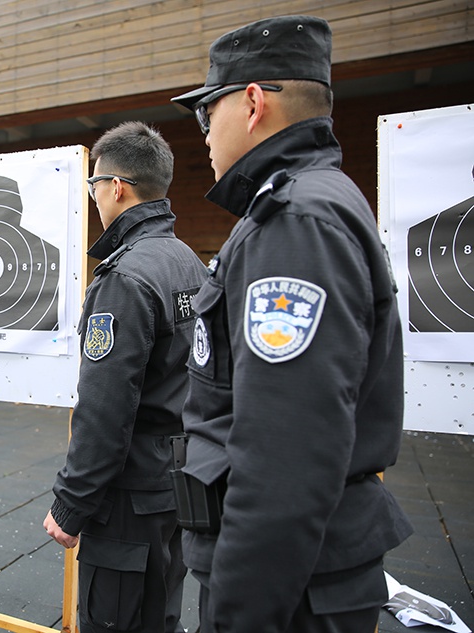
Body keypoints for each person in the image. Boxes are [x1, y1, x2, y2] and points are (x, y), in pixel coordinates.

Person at [170, 15, 413, 632]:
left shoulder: (294, 221)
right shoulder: (314, 199)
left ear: (251, 103)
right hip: (307, 575)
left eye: (206, 113)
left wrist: (239, 619)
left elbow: (284, 453)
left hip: (289, 591)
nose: (202, 134)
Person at [44, 121, 207, 633]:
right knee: (161, 613)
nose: (93, 197)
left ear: (117, 187)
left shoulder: (126, 277)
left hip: (128, 498)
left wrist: (71, 505)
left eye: (94, 186)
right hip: (179, 481)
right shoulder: (190, 263)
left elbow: (106, 408)